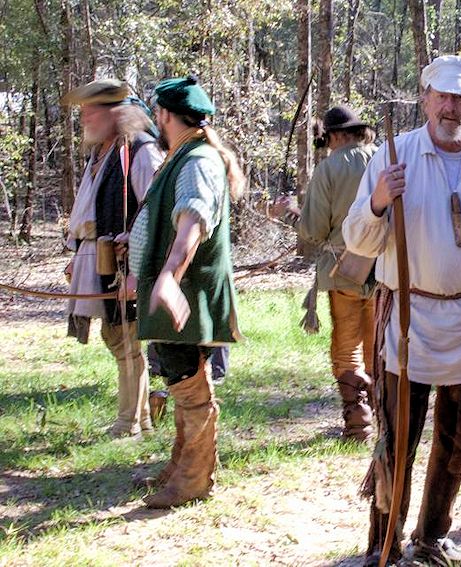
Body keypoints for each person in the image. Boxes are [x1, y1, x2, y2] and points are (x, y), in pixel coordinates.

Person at [343, 55, 461, 566]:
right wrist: (378, 200)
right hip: (407, 317)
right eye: (442, 96)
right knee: (398, 440)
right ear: (425, 99)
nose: (451, 106)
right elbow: (358, 238)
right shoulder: (392, 157)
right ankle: (383, 545)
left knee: (458, 439)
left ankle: (430, 539)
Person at [128, 75, 245, 508]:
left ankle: (194, 479)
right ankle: (181, 466)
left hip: (188, 289)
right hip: (176, 285)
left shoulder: (198, 161)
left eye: (157, 112)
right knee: (180, 378)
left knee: (186, 379)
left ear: (165, 114)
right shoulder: (184, 156)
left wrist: (169, 277)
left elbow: (193, 222)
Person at [60, 79, 164, 438]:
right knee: (118, 336)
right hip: (97, 255)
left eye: (93, 110)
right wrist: (78, 254)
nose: (86, 116)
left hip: (127, 261)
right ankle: (143, 419)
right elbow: (88, 208)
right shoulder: (101, 152)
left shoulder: (140, 150)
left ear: (114, 114)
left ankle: (128, 423)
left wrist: (138, 269)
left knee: (126, 336)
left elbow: (154, 212)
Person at [273, 106, 378, 441]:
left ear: (334, 136)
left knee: (347, 346)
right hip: (384, 270)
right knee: (378, 346)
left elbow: (314, 231)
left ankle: (359, 422)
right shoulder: (384, 159)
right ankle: (384, 415)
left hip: (344, 269)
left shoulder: (329, 168)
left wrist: (289, 213)